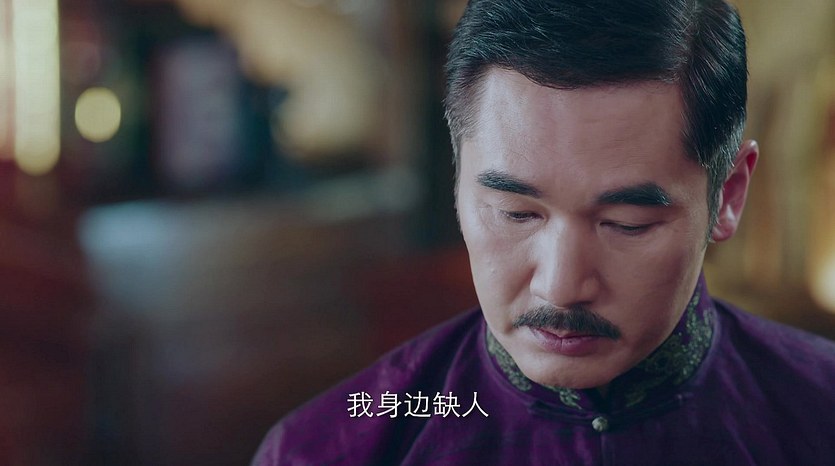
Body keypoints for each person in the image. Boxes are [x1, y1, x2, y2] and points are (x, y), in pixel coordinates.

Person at [253, 0, 835, 464]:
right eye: (516, 213)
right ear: (458, 180)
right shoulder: (329, 448)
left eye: (626, 224)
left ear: (728, 197)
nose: (560, 287)